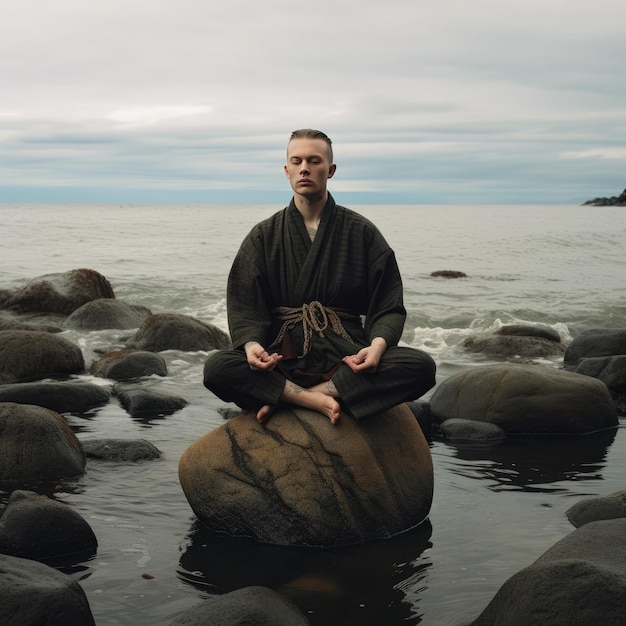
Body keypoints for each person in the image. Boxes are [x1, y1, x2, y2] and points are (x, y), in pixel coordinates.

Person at [204, 128, 436, 425]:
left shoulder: (360, 232)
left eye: (314, 161)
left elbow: (388, 305)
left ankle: (296, 396)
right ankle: (311, 398)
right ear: (286, 170)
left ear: (331, 170)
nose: (305, 168)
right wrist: (252, 346)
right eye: (297, 161)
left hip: (345, 357)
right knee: (217, 367)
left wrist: (376, 347)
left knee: (420, 366)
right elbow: (245, 306)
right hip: (282, 357)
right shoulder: (264, 235)